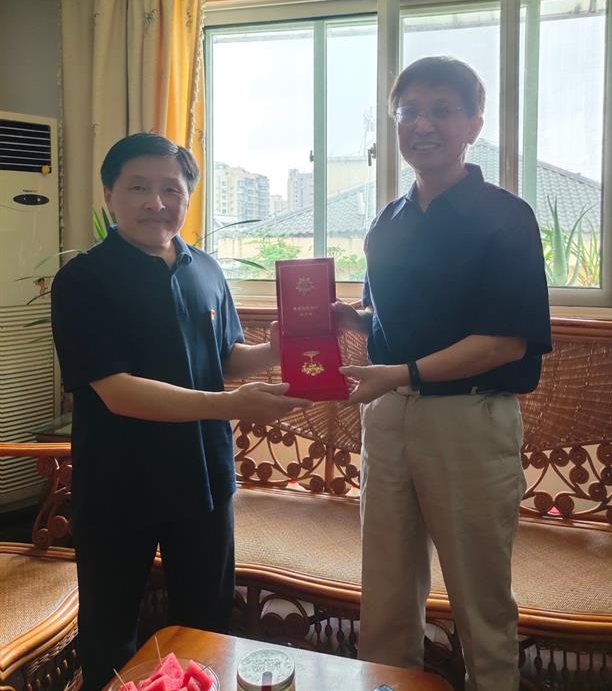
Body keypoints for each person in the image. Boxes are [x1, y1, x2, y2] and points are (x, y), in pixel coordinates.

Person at [51, 133, 310, 691]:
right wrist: (231, 405)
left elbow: (226, 357)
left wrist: (279, 349)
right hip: (119, 485)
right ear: (109, 195)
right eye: (138, 188)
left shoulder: (205, 269)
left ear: (188, 196)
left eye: (171, 189)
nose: (156, 202)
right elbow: (117, 391)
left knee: (206, 626)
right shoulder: (83, 280)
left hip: (204, 481)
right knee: (111, 634)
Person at [334, 57, 551, 691]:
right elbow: (387, 316)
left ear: (474, 124)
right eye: (408, 112)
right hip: (388, 416)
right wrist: (352, 318)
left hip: (468, 419)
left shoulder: (506, 216)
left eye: (441, 110)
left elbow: (505, 341)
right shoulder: (388, 221)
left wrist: (401, 373)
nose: (422, 125)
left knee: (480, 598)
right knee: (386, 591)